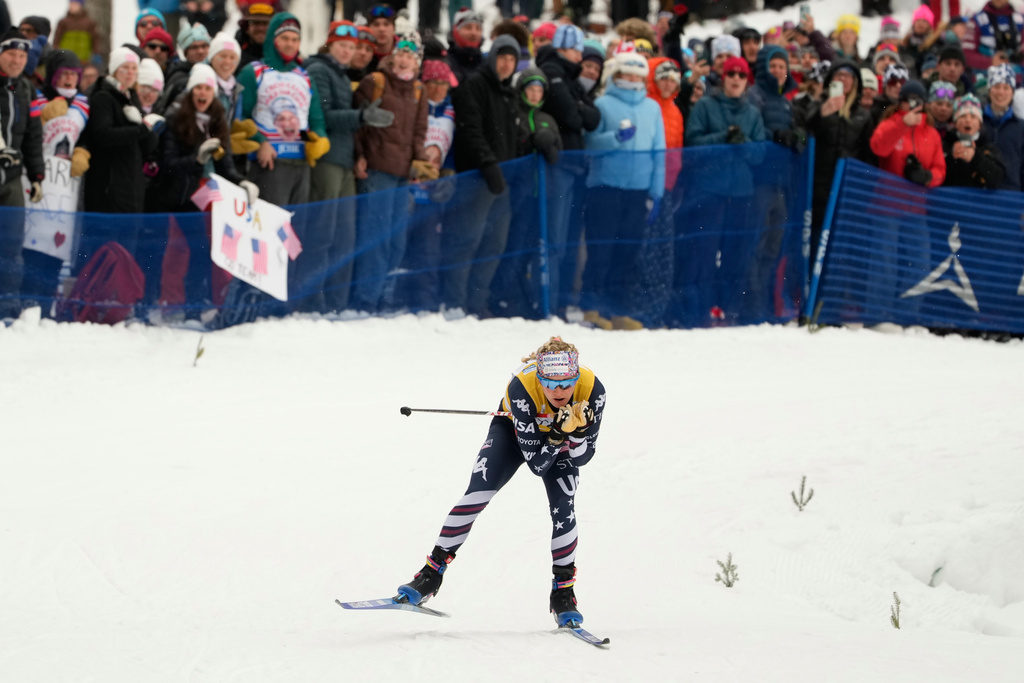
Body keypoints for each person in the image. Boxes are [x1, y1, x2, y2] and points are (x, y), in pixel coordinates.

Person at [395, 337, 606, 628]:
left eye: (567, 383)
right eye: (550, 384)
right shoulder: (522, 388)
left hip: (560, 442)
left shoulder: (593, 390)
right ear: (539, 378)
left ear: (577, 377)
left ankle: (563, 593)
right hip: (514, 432)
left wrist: (579, 432)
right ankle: (430, 575)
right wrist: (557, 434)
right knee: (477, 493)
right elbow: (537, 465)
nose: (560, 391)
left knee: (564, 508)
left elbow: (583, 458)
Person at [156, 63, 257, 313]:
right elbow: (167, 165)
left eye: (208, 89)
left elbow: (226, 165)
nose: (203, 94)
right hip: (178, 194)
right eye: (198, 88)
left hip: (205, 192)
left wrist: (242, 182)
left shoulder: (217, 120)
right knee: (183, 251)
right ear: (191, 91)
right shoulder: (176, 118)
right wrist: (197, 160)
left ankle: (200, 301)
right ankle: (180, 302)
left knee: (207, 249)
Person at [582, 51, 665, 330]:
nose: (632, 80)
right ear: (616, 76)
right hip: (605, 187)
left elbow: (659, 152)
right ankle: (593, 306)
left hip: (638, 190)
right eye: (627, 75)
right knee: (601, 249)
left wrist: (656, 191)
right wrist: (615, 138)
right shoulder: (603, 104)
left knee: (628, 251)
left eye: (637, 76)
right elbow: (589, 144)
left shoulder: (653, 108)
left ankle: (618, 308)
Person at [350, 31, 430, 313]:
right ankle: (366, 297)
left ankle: (385, 293)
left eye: (411, 54)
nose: (405, 58)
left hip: (402, 174)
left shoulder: (420, 90)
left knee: (397, 239)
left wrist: (420, 163)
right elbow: (358, 122)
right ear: (394, 56)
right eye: (402, 52)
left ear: (417, 61)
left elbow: (419, 133)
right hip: (377, 169)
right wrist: (358, 154)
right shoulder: (376, 82)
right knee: (376, 236)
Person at [443, 34, 521, 319]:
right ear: (492, 58)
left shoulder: (507, 93)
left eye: (512, 59)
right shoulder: (475, 85)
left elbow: (514, 138)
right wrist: (488, 165)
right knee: (467, 240)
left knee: (494, 244)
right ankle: (456, 302)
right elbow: (470, 130)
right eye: (502, 57)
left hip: (503, 181)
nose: (507, 64)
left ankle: (477, 303)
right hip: (477, 178)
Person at [805, 61, 873, 259]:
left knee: (841, 247)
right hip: (818, 188)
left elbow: (867, 155)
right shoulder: (817, 105)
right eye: (838, 76)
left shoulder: (863, 115)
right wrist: (821, 115)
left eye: (848, 76)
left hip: (847, 190)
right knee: (816, 242)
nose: (843, 79)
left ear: (855, 83)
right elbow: (804, 135)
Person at [0, 29, 44, 319]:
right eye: (11, 54)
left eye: (22, 55)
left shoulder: (26, 89)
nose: (16, 60)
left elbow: (32, 135)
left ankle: (8, 301)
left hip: (13, 176)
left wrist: (37, 175)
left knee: (12, 242)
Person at [870, 79, 946, 188]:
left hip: (918, 200)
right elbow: (878, 148)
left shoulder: (932, 134)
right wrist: (902, 124)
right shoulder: (888, 124)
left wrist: (927, 177)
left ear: (924, 104)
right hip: (888, 198)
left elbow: (940, 170)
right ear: (900, 102)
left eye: (917, 101)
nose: (912, 105)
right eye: (908, 100)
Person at [943, 93, 1006, 188]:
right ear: (955, 123)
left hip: (978, 202)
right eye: (963, 116)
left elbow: (998, 179)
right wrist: (952, 158)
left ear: (980, 124)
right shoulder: (945, 144)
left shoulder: (988, 148)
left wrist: (975, 157)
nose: (968, 120)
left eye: (973, 117)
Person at [981, 63, 1024, 191]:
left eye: (1006, 88)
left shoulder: (1021, 128)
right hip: (978, 193)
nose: (1001, 92)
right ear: (989, 90)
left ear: (1012, 93)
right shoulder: (975, 122)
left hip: (1010, 196)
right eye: (997, 86)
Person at [155, 21, 211, 114]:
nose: (200, 51)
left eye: (204, 46)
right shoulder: (179, 78)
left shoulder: (216, 72)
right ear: (186, 53)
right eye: (194, 47)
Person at [962, 0, 1024, 74]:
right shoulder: (976, 20)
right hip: (984, 81)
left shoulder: (1020, 20)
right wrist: (990, 61)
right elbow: (966, 54)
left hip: (1017, 79)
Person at [53, 0, 104, 67]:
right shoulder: (63, 22)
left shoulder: (89, 22)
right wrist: (56, 52)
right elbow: (57, 39)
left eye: (75, 4)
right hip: (65, 58)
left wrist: (96, 53)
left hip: (83, 59)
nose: (72, 6)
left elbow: (95, 39)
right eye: (71, 4)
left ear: (81, 6)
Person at [446, 7, 484, 88]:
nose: (474, 33)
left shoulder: (486, 63)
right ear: (456, 30)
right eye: (468, 27)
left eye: (478, 28)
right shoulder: (445, 62)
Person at [235, 1, 274, 73]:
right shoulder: (235, 49)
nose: (261, 28)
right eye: (256, 23)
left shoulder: (281, 50)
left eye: (265, 23)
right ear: (246, 27)